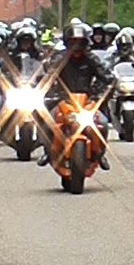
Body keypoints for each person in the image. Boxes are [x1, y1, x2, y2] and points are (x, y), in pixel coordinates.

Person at [38, 23, 115, 170]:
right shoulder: (59, 58)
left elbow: (108, 78)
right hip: (62, 100)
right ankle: (47, 151)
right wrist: (47, 90)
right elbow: (48, 77)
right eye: (73, 42)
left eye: (80, 42)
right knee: (47, 121)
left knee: (103, 123)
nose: (77, 46)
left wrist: (100, 94)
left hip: (87, 102)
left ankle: (100, 153)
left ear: (86, 43)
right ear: (67, 43)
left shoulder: (92, 59)